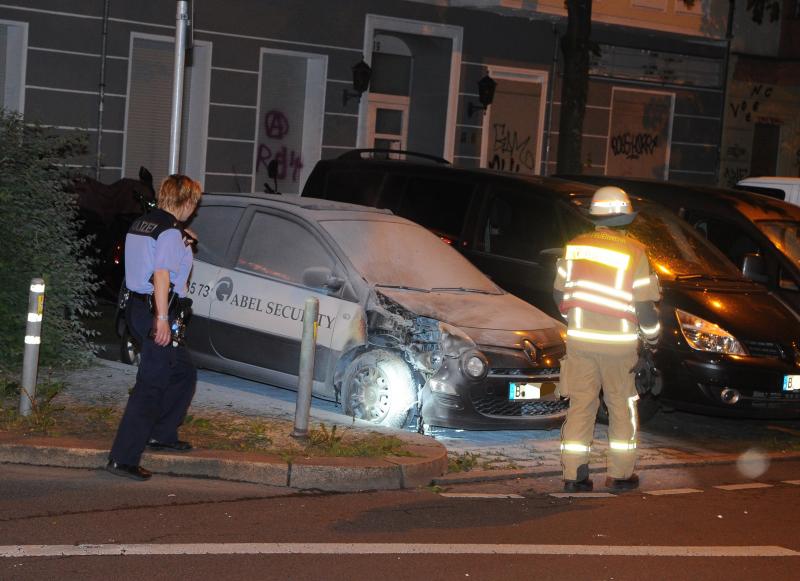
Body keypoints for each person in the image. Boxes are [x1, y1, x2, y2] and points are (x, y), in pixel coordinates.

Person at [553, 186, 661, 492]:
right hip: (619, 348)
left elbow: (558, 293)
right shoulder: (635, 252)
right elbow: (645, 308)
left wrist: (573, 320)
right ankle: (620, 475)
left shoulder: (574, 247)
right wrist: (653, 341)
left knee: (580, 406)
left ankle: (574, 476)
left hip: (580, 344)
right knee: (621, 407)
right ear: (625, 218)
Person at [107, 174, 202, 481]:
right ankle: (123, 458)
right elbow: (161, 274)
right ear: (185, 201)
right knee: (151, 384)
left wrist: (183, 241)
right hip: (155, 310)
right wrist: (161, 319)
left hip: (138, 307)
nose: (194, 209)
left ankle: (162, 433)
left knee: (182, 371)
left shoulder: (143, 224)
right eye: (194, 203)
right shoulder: (170, 233)